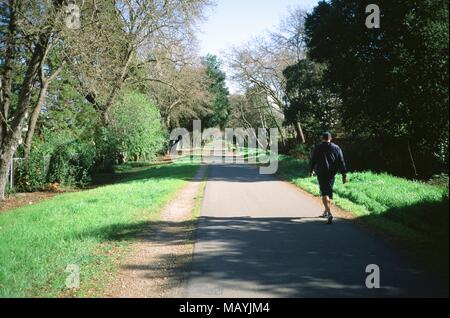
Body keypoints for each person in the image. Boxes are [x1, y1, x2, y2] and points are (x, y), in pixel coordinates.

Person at [310, 132, 348, 220]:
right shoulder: (337, 148)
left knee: (324, 193)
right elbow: (341, 162)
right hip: (332, 174)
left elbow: (313, 160)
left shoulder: (318, 147)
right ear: (331, 138)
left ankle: (329, 213)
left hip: (321, 173)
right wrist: (344, 175)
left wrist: (311, 170)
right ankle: (326, 212)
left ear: (322, 138)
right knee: (328, 192)